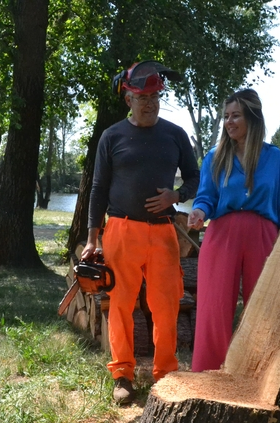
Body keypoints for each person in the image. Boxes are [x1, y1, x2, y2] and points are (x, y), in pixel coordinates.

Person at [82, 60, 200, 405]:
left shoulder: (175, 134)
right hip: (120, 230)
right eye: (141, 96)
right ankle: (122, 375)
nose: (149, 102)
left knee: (165, 304)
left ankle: (166, 374)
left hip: (163, 232)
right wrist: (92, 238)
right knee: (120, 304)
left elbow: (195, 178)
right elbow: (98, 187)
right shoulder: (112, 136)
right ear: (128, 98)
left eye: (154, 95)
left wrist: (176, 195)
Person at [186, 89, 280, 372]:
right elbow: (206, 196)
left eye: (236, 116)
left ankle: (259, 374)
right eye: (226, 116)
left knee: (264, 308)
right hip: (223, 235)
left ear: (252, 118)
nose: (229, 122)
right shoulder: (214, 157)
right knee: (214, 310)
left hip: (263, 236)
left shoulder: (275, 158)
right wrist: (199, 211)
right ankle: (208, 375)